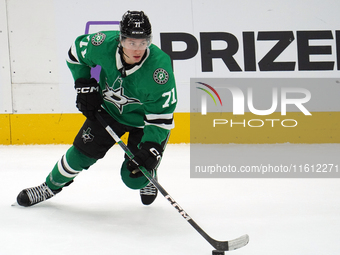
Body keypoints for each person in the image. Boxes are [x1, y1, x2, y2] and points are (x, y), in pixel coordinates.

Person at [16, 10, 177, 207]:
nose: (137, 49)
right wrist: (83, 84)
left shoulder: (159, 71)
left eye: (143, 42)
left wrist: (152, 149)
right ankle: (48, 187)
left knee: (134, 177)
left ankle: (148, 175)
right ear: (120, 40)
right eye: (131, 43)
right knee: (79, 154)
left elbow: (161, 116)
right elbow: (75, 54)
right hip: (108, 111)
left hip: (145, 123)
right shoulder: (102, 44)